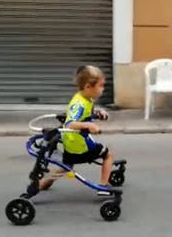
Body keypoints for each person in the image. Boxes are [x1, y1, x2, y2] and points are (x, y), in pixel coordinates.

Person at [39, 66, 115, 196]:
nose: (103, 89)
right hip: (80, 145)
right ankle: (103, 186)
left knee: (67, 165)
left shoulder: (85, 98)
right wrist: (89, 126)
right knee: (108, 155)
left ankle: (42, 183)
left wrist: (97, 114)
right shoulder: (79, 104)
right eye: (101, 86)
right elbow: (69, 124)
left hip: (71, 143)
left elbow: (85, 115)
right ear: (88, 87)